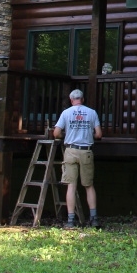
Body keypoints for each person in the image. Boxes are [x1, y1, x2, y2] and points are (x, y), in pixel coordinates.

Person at [53, 88, 102, 228]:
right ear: (83, 99)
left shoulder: (66, 113)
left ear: (71, 100)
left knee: (71, 186)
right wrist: (87, 135)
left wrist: (65, 135)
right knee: (88, 185)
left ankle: (70, 220)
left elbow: (56, 133)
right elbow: (98, 134)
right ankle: (93, 218)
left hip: (71, 150)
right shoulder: (92, 113)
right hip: (86, 151)